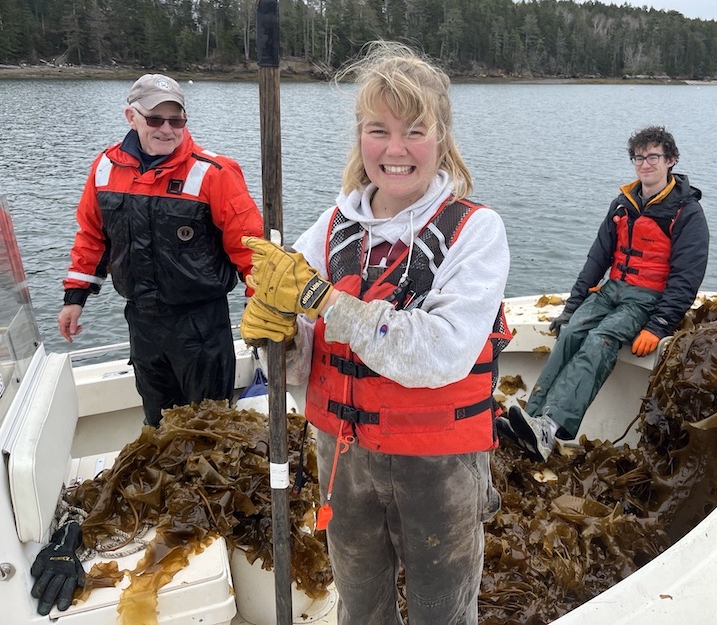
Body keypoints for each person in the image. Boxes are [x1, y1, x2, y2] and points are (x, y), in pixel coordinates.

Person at [240, 41, 510, 624]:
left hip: (439, 465)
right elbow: (299, 362)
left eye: (415, 130)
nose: (395, 149)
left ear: (442, 139)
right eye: (377, 129)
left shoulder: (477, 231)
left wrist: (318, 299)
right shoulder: (330, 228)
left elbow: (440, 353)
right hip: (343, 456)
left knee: (443, 611)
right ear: (359, 138)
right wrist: (279, 339)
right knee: (360, 609)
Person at [58, 73, 263, 427]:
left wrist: (261, 305)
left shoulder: (215, 173)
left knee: (210, 426)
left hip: (200, 325)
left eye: (176, 120)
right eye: (155, 119)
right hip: (142, 322)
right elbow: (92, 237)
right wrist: (74, 298)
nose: (166, 129)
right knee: (157, 419)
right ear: (131, 117)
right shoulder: (105, 168)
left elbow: (252, 249)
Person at [499, 125, 709, 461]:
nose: (645, 164)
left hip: (647, 300)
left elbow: (688, 275)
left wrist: (659, 326)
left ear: (671, 160)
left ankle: (549, 428)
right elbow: (597, 260)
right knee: (570, 333)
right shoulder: (622, 204)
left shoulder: (687, 213)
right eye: (639, 158)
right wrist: (572, 307)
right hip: (611, 290)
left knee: (600, 340)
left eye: (653, 156)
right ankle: (530, 419)